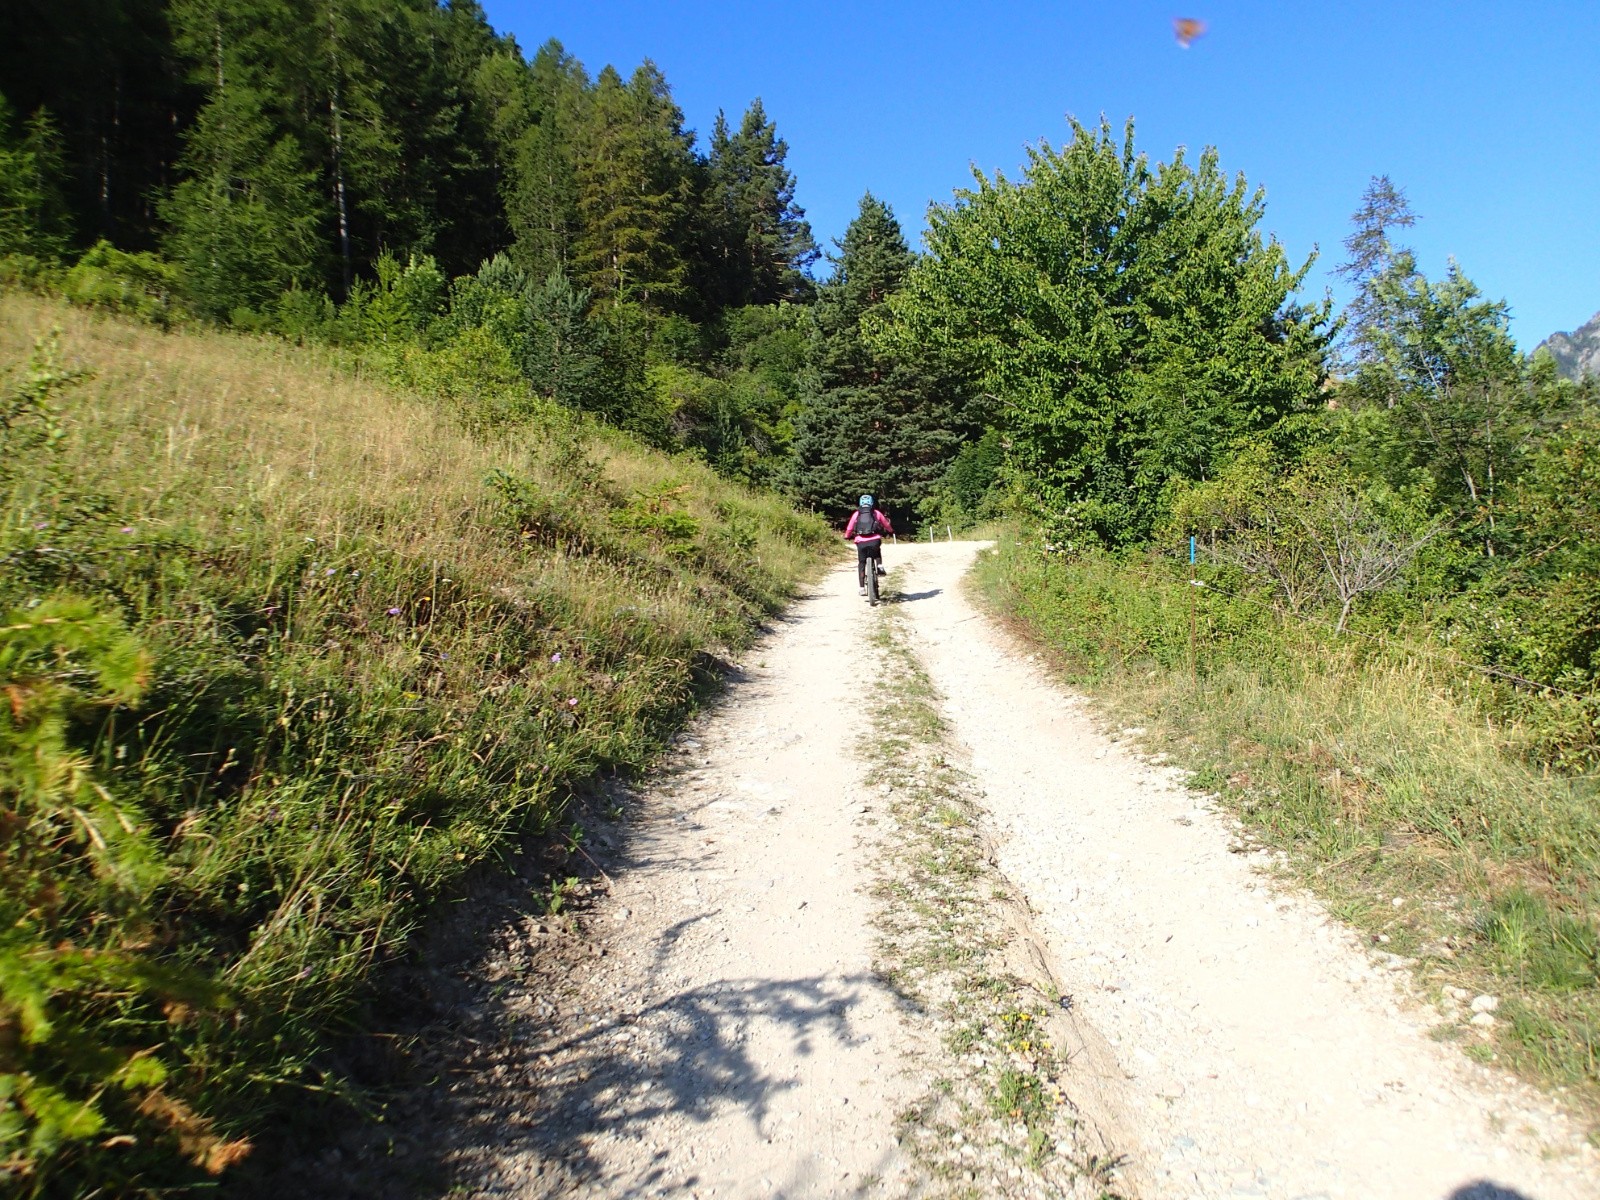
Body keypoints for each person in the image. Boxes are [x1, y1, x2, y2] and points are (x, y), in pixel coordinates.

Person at [844, 494, 892, 595]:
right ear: (872, 503)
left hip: (860, 541)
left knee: (862, 563)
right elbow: (886, 524)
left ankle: (862, 588)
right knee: (877, 550)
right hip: (874, 540)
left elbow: (850, 527)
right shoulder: (876, 513)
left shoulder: (856, 514)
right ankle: (879, 566)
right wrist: (891, 531)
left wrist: (847, 536)